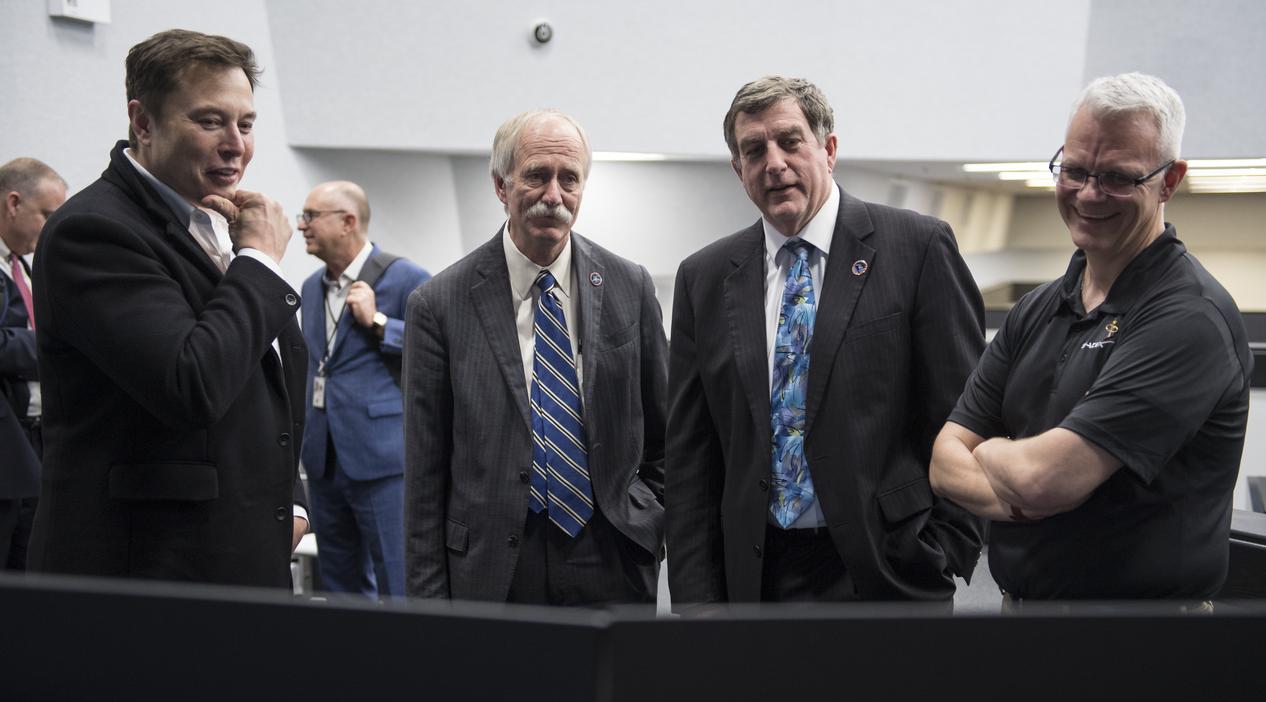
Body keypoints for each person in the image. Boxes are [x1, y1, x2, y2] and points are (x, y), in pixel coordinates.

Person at [665, 76, 986, 611]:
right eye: (753, 150)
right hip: (755, 578)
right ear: (738, 169)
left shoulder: (918, 248)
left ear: (828, 149)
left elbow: (967, 412)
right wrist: (696, 598)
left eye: (790, 141)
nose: (774, 163)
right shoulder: (704, 277)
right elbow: (691, 457)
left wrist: (947, 548)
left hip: (887, 572)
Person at [930, 72, 1252, 601]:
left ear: (1169, 182)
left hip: (1140, 644)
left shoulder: (1188, 319)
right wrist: (1022, 491)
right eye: (1075, 170)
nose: (1089, 193)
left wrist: (989, 452)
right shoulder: (1038, 308)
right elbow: (945, 462)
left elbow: (1047, 480)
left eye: (1118, 177)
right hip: (1023, 616)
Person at [28, 29, 308, 588]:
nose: (236, 145)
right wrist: (258, 260)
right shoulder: (95, 231)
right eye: (210, 121)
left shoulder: (211, 220)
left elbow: (263, 378)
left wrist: (290, 499)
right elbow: (192, 382)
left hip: (235, 550)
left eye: (246, 124)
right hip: (148, 572)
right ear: (143, 122)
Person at [403, 109, 667, 606]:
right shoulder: (438, 304)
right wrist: (428, 609)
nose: (554, 196)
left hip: (611, 552)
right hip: (495, 564)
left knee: (613, 687)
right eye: (536, 176)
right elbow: (424, 477)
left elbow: (667, 433)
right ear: (501, 185)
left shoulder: (629, 286)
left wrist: (651, 517)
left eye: (569, 179)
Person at [298, 181, 429, 598]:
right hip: (324, 457)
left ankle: (404, 662)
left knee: (396, 577)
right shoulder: (309, 288)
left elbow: (443, 348)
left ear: (348, 222)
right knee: (340, 583)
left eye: (312, 216)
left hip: (381, 459)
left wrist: (378, 323)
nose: (302, 225)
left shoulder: (405, 277)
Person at [0, 158, 66, 571]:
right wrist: (58, 348)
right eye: (46, 215)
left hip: (39, 441)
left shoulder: (24, 266)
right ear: (13, 203)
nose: (52, 228)